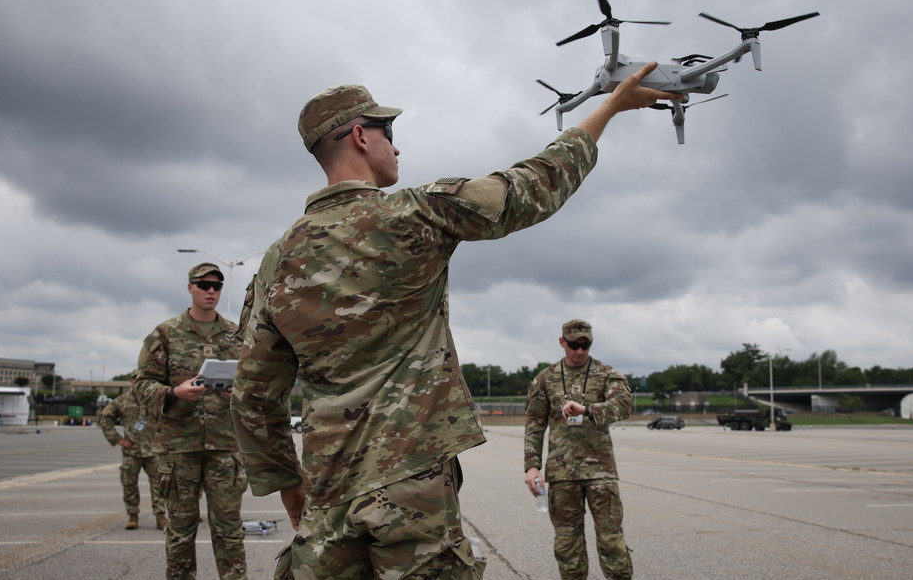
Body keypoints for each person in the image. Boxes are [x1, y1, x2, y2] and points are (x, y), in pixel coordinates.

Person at [230, 62, 676, 580]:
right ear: (359, 136)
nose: (396, 148)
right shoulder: (413, 214)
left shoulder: (276, 260)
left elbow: (253, 394)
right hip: (412, 479)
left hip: (327, 489)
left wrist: (290, 485)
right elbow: (530, 187)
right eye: (388, 133)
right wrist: (610, 108)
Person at [134, 262, 247, 580]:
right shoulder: (165, 334)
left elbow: (256, 383)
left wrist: (238, 393)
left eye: (217, 286)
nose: (211, 291)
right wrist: (173, 392)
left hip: (225, 447)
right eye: (204, 285)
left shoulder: (237, 335)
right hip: (179, 448)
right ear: (190, 288)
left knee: (229, 532)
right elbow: (142, 384)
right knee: (181, 532)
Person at [523, 319, 634, 580]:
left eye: (586, 346)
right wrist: (532, 466)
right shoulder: (545, 379)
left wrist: (587, 410)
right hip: (562, 475)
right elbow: (534, 424)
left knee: (611, 543)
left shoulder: (606, 374)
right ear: (563, 342)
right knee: (567, 546)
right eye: (574, 345)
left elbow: (624, 405)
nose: (580, 351)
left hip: (600, 473)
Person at [98, 383, 166, 530]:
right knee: (129, 484)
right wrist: (117, 439)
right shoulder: (122, 401)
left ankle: (160, 516)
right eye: (136, 380)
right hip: (132, 451)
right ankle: (132, 515)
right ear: (131, 382)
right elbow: (105, 417)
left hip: (152, 450)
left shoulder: (154, 398)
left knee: (159, 484)